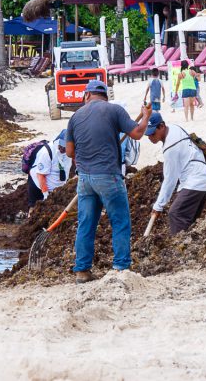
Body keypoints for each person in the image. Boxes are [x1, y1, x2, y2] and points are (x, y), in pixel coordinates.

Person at [65, 80, 150, 283]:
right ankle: (121, 267)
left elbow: (69, 152)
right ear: (105, 95)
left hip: (84, 179)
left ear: (87, 95)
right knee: (120, 221)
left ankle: (82, 271)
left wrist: (86, 159)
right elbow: (137, 133)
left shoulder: (76, 117)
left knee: (86, 224)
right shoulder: (114, 110)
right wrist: (146, 117)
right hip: (108, 176)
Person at [144, 112, 206, 234]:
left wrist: (158, 206)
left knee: (176, 214)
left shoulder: (170, 148)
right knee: (190, 222)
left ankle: (178, 250)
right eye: (147, 134)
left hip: (195, 182)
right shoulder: (175, 128)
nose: (150, 137)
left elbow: (170, 180)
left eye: (152, 133)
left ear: (161, 126)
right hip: (205, 180)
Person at [27, 130, 72, 208]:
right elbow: (40, 175)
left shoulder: (69, 152)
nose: (62, 148)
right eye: (61, 145)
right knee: (34, 211)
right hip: (38, 187)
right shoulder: (46, 152)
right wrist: (46, 195)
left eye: (65, 147)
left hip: (57, 190)